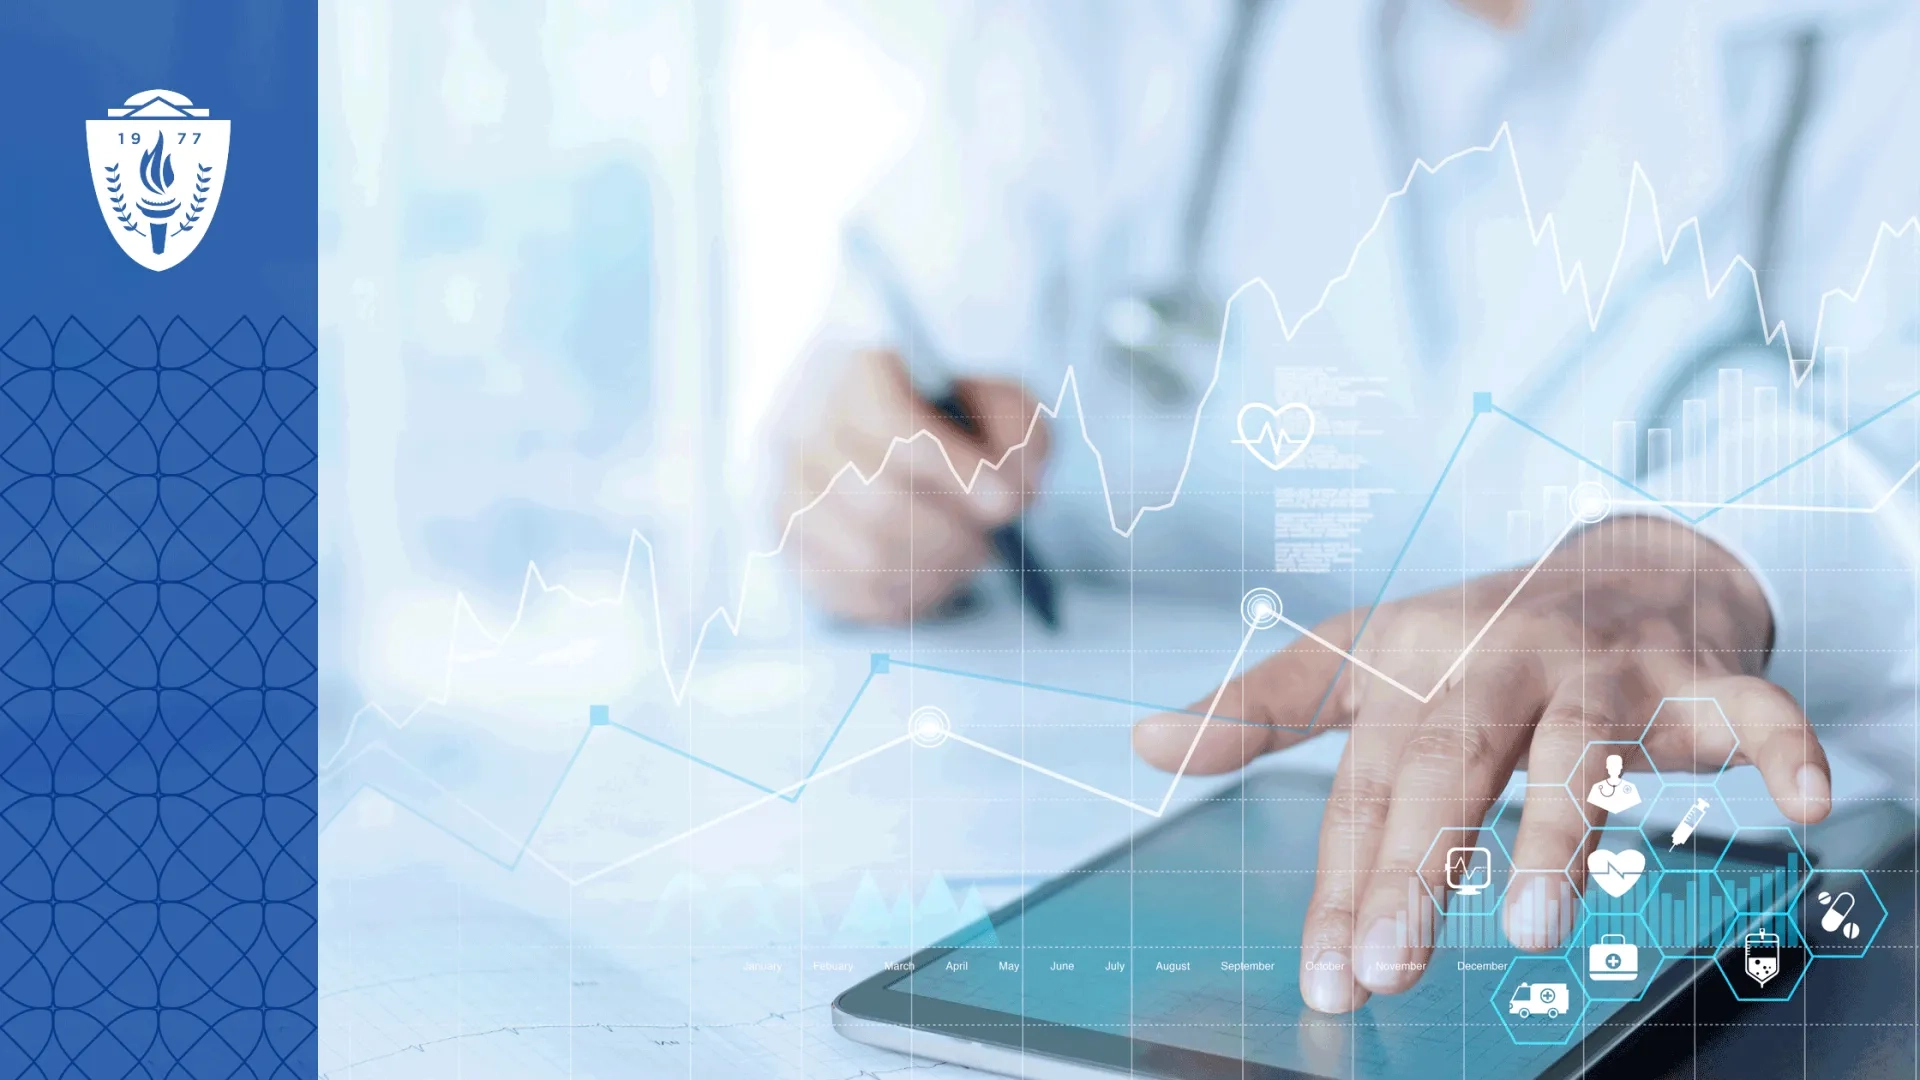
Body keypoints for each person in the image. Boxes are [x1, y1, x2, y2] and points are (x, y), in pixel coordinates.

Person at [770, 0, 1920, 1014]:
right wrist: (863, 512)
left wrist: (1674, 576)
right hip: (1088, 902)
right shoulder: (1095, 31)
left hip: (1701, 913)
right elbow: (867, 397)